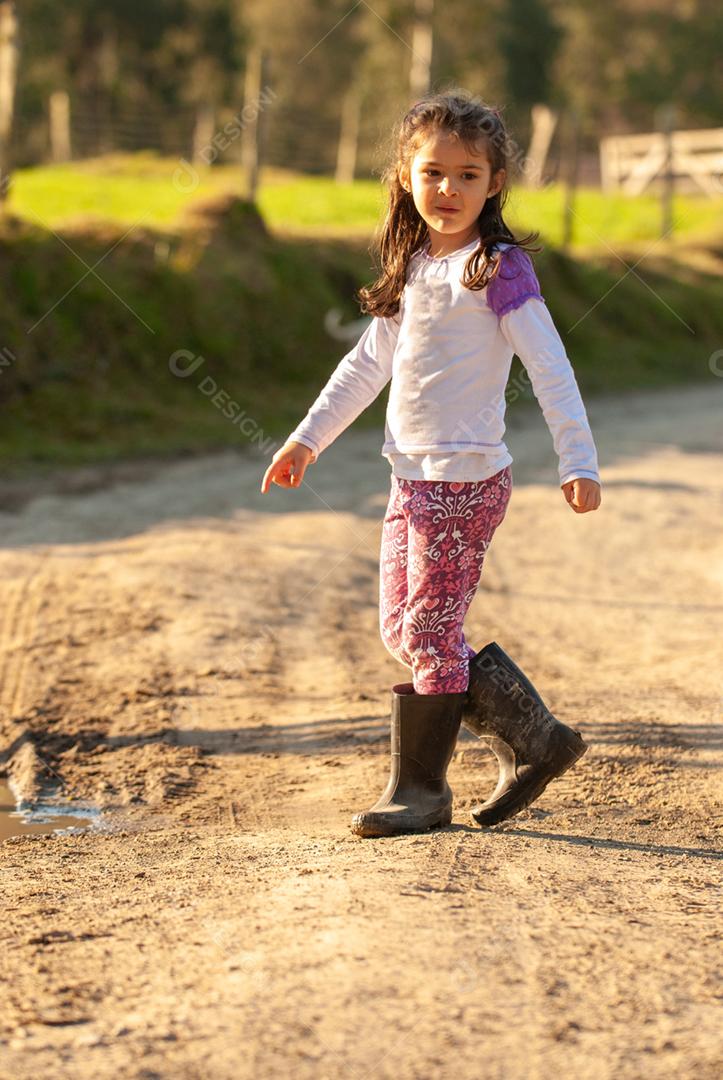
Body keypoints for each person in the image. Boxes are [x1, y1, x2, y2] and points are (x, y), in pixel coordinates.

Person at [260, 89, 602, 839]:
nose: (448, 190)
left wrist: (578, 459)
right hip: (409, 477)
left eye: (468, 176)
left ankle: (421, 793)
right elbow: (364, 365)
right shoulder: (413, 266)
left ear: (495, 183)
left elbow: (550, 369)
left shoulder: (495, 270)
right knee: (404, 628)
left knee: (427, 631)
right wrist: (306, 438)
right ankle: (538, 739)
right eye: (433, 173)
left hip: (466, 480)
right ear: (405, 178)